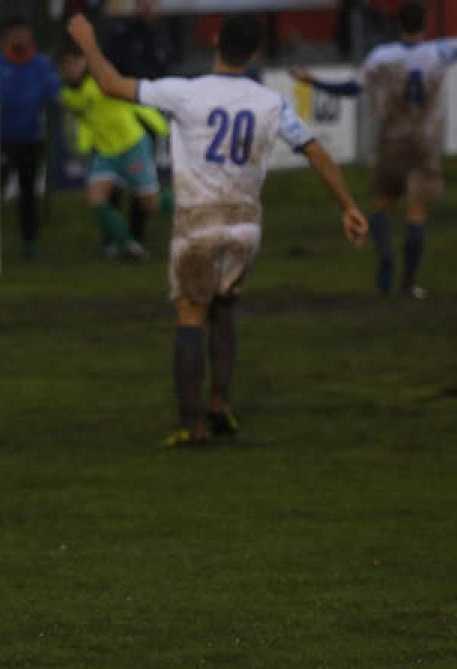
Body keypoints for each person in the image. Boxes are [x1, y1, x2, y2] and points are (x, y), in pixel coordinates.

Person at [67, 12, 368, 446]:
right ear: (255, 53)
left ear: (215, 42)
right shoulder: (270, 102)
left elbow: (113, 84)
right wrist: (347, 206)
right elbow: (314, 150)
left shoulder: (186, 92)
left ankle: (193, 426)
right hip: (245, 223)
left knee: (191, 315)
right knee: (225, 307)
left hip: (199, 222)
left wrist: (89, 43)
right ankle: (220, 404)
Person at [292, 0, 457, 299]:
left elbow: (352, 90)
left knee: (381, 205)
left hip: (391, 141)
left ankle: (385, 260)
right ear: (424, 24)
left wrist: (313, 81)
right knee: (416, 211)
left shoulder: (382, 56)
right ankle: (409, 283)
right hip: (424, 142)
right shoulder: (438, 52)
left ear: (398, 24)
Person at [55, 43, 165, 261]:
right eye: (64, 65)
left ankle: (194, 206)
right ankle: (129, 245)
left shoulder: (101, 81)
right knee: (96, 198)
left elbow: (131, 97)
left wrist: (156, 123)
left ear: (84, 62)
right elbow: (83, 120)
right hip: (106, 152)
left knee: (149, 202)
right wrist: (83, 145)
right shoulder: (66, 93)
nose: (69, 69)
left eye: (73, 63)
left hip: (131, 144)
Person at [102, 0, 176, 245]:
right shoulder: (122, 34)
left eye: (151, 3)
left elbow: (164, 70)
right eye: (142, 3)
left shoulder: (164, 35)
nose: (146, 8)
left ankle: (136, 236)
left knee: (142, 177)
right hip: (121, 115)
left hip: (149, 115)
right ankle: (112, 238)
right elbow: (115, 69)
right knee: (114, 177)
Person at [0, 17, 62, 259]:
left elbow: (56, 93)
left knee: (27, 193)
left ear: (30, 35)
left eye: (22, 32)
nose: (18, 38)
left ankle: (29, 242)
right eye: (14, 32)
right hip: (0, 140)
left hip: (31, 138)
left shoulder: (41, 64)